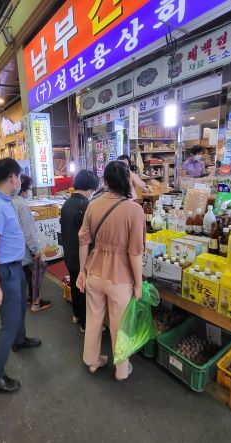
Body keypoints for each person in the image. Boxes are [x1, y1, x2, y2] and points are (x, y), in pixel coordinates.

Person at [77, 161, 145, 381]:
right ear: (128, 181)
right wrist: (138, 283)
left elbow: (83, 242)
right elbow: (135, 252)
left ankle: (92, 361)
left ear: (104, 181)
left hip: (94, 270)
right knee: (119, 326)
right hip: (120, 278)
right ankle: (121, 371)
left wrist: (81, 271)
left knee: (94, 318)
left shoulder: (92, 205)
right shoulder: (134, 209)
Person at [0, 158, 41, 393]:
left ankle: (20, 340)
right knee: (8, 322)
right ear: (13, 178)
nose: (20, 179)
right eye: (19, 175)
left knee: (19, 312)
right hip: (4, 272)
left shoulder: (5, 200)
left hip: (14, 267)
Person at [59, 169, 100, 331]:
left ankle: (76, 315)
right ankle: (85, 323)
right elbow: (89, 236)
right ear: (91, 189)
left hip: (69, 253)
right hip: (82, 256)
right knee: (84, 290)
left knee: (77, 287)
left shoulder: (67, 203)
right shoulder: (86, 205)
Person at [12, 174, 52, 312]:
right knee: (37, 270)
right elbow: (28, 231)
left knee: (24, 275)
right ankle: (36, 302)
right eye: (29, 188)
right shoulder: (21, 203)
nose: (30, 191)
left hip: (13, 251)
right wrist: (35, 250)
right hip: (24, 249)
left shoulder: (6, 200)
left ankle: (27, 299)